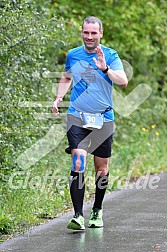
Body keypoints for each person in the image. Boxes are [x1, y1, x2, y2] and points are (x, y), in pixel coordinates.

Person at [52, 16, 128, 230]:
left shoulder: (110, 55)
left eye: (94, 33)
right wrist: (59, 97)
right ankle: (77, 215)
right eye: (86, 32)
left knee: (101, 169)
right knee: (78, 162)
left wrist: (105, 69)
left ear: (101, 34)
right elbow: (67, 77)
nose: (89, 37)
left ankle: (97, 209)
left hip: (104, 117)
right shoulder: (73, 55)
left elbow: (123, 81)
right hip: (78, 116)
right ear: (82, 32)